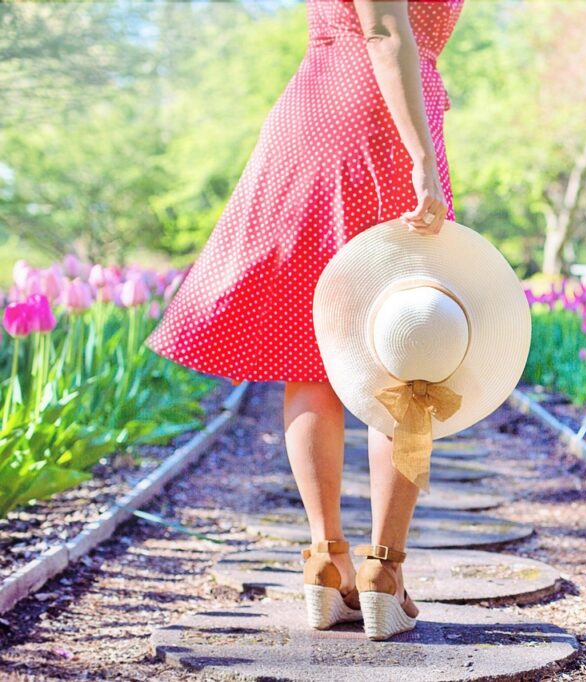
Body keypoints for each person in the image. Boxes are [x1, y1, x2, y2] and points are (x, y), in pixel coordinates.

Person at [144, 0, 465, 640]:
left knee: (312, 352)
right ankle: (384, 572)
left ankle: (327, 562)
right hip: (378, 124)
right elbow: (382, 29)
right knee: (408, 352)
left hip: (317, 115)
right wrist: (421, 155)